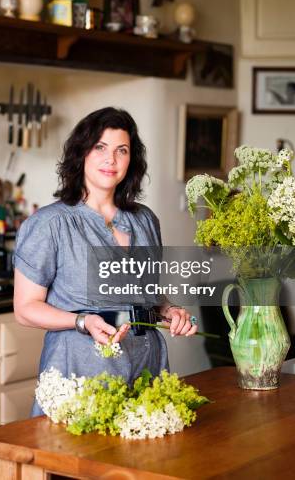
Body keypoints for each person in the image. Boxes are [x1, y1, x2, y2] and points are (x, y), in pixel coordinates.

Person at [13, 107, 198, 417]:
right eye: (100, 147)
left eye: (121, 150)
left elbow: (147, 294)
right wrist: (82, 321)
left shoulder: (145, 221)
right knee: (70, 461)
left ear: (131, 160)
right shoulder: (51, 223)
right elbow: (25, 308)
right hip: (79, 368)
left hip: (145, 366)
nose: (110, 159)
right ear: (81, 154)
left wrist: (170, 311)